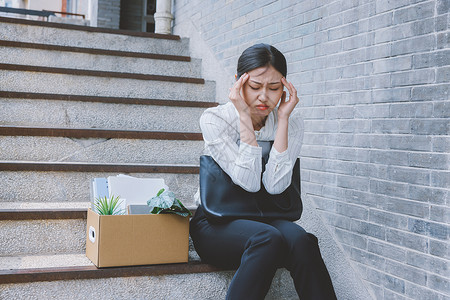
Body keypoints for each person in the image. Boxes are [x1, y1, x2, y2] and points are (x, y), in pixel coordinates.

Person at [190, 43, 337, 300]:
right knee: (266, 238)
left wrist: (282, 122)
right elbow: (247, 181)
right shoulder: (215, 119)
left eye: (274, 88)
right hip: (216, 221)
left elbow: (276, 187)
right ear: (238, 84)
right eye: (255, 87)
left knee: (303, 241)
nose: (264, 97)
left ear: (285, 87)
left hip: (265, 214)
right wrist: (244, 117)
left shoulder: (291, 120)